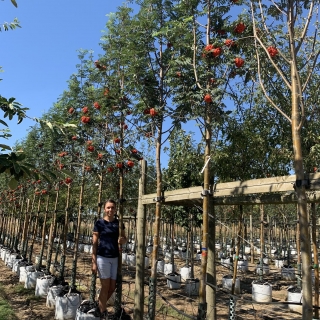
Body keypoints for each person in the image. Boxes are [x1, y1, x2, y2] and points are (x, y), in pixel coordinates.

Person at [92, 199, 127, 319]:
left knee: (112, 287)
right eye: (108, 207)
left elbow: (124, 238)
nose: (110, 210)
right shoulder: (99, 223)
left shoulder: (119, 223)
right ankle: (102, 312)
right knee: (105, 286)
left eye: (112, 207)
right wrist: (94, 261)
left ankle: (99, 306)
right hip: (103, 258)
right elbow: (95, 244)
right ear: (104, 209)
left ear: (115, 209)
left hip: (115, 258)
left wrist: (123, 240)